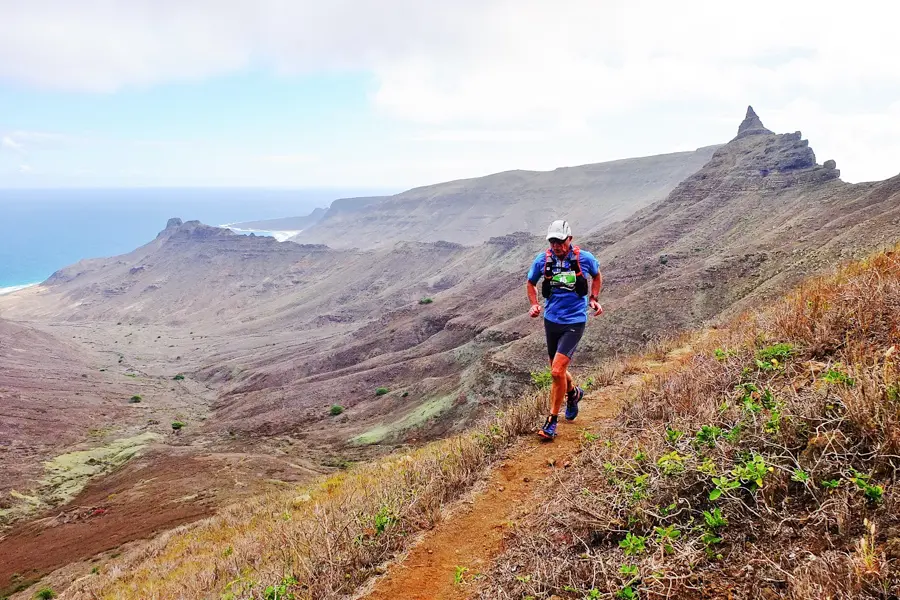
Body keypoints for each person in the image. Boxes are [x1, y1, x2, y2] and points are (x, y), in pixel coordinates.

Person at [525, 219, 603, 440]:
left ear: (570, 239)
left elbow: (596, 275)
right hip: (552, 320)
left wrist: (594, 299)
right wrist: (534, 304)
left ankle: (551, 421)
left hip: (574, 321)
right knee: (556, 369)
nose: (556, 246)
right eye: (552, 242)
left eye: (560, 241)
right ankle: (574, 393)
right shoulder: (543, 260)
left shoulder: (584, 258)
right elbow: (530, 282)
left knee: (557, 371)